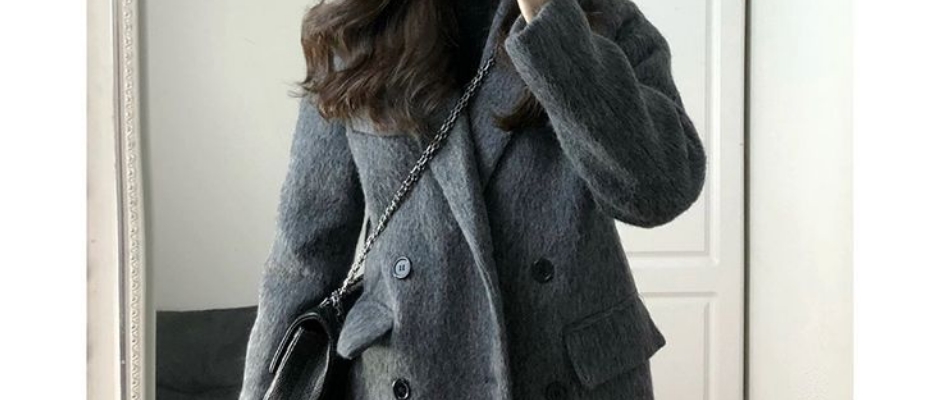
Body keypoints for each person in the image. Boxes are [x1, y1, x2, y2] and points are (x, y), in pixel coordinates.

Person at [239, 0, 706, 398]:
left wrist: (550, 20)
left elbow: (660, 190)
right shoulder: (357, 26)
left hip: (571, 378)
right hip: (410, 370)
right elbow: (304, 257)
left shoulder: (597, 13)